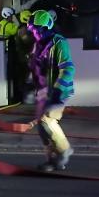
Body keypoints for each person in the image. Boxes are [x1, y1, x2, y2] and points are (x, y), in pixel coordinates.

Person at [27, 9, 76, 171]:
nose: (33, 33)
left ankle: (64, 151)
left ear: (45, 28)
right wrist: (30, 85)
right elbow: (35, 68)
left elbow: (68, 69)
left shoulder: (59, 43)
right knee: (42, 128)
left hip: (58, 92)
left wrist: (58, 90)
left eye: (35, 30)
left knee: (48, 119)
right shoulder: (38, 45)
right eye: (32, 30)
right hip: (43, 92)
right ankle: (51, 160)